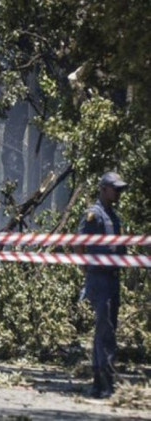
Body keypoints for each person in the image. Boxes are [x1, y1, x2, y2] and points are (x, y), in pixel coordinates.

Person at [78, 171, 128, 399]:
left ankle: (100, 382)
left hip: (112, 277)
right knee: (105, 329)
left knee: (107, 329)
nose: (118, 193)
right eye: (115, 189)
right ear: (104, 188)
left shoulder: (113, 216)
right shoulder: (94, 215)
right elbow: (79, 244)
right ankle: (104, 383)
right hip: (99, 278)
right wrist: (86, 268)